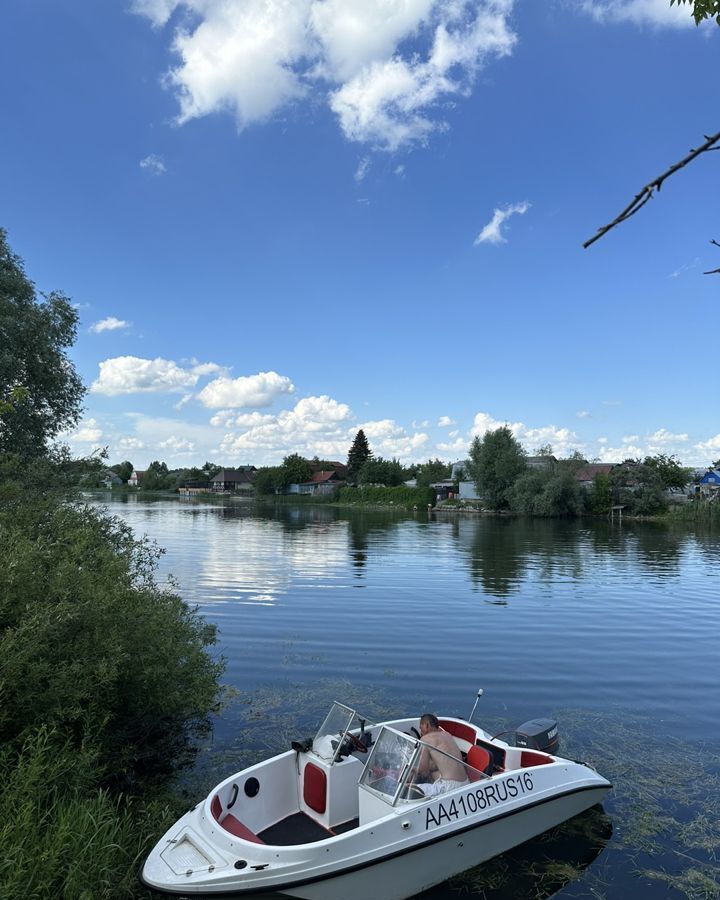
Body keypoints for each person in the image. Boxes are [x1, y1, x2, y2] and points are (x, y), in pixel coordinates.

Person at [411, 713, 468, 797]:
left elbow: (423, 772)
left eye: (421, 727)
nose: (420, 732)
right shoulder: (447, 734)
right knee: (433, 774)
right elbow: (442, 762)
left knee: (409, 789)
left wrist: (412, 769)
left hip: (449, 787)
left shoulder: (425, 739)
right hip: (465, 782)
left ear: (427, 725)